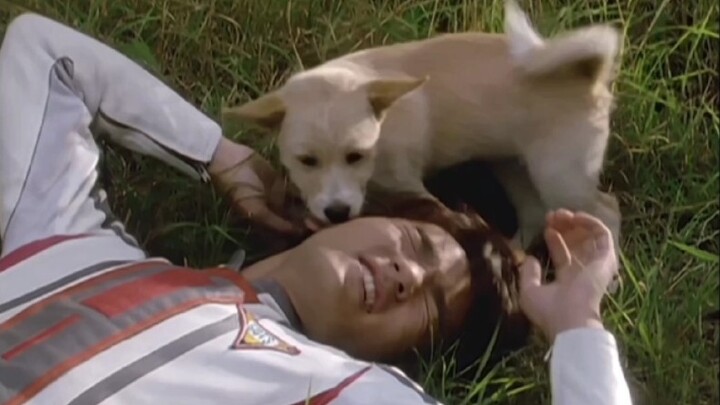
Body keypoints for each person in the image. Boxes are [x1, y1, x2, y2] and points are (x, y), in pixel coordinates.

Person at [0, 13, 633, 405]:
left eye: (431, 306)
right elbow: (44, 51)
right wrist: (221, 154)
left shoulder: (340, 386)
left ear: (401, 362)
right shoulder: (66, 237)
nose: (409, 274)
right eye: (414, 243)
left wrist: (578, 327)